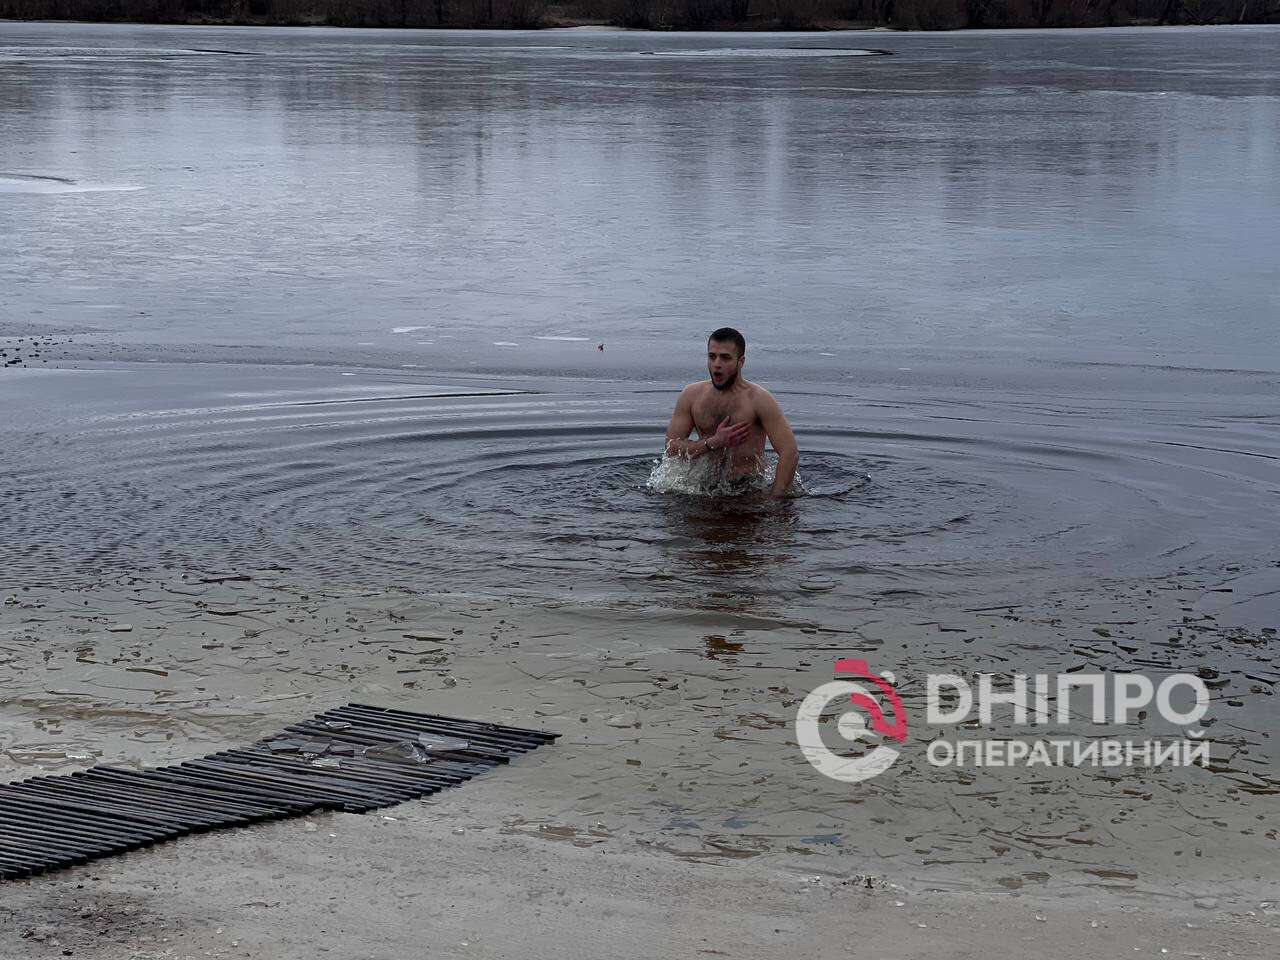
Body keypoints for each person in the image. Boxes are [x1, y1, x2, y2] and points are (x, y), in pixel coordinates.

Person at [664, 327, 799, 498]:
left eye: (725, 358)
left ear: (740, 361)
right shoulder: (691, 395)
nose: (717, 364)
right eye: (712, 357)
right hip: (703, 488)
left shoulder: (758, 399)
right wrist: (713, 442)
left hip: (747, 489)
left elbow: (789, 451)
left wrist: (775, 500)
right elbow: (671, 448)